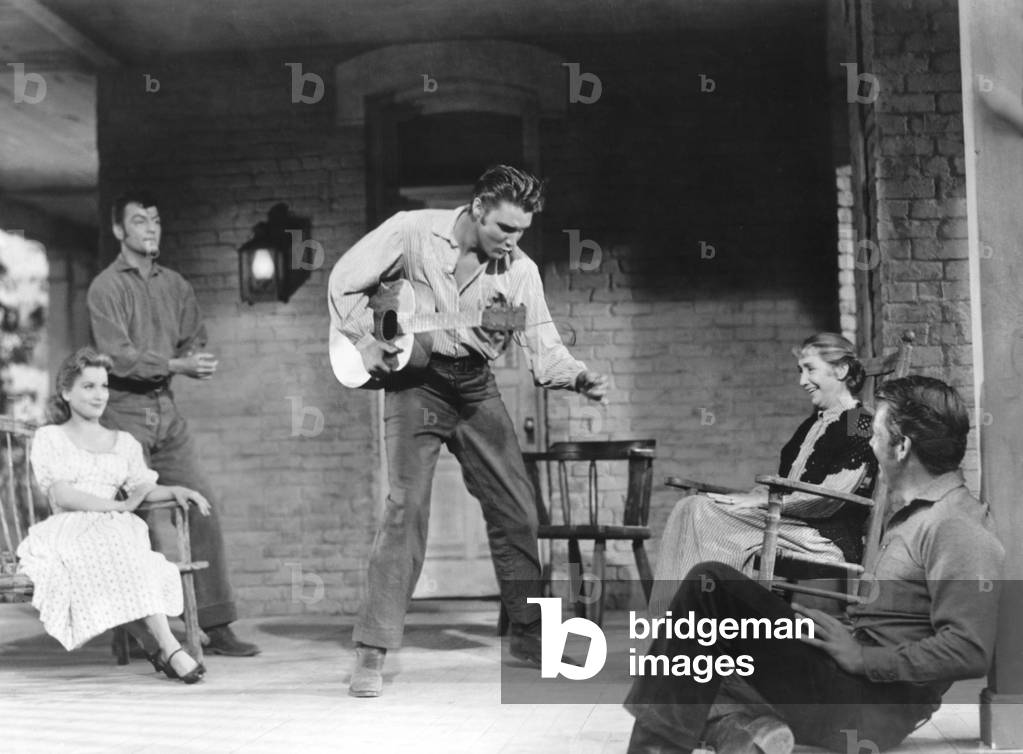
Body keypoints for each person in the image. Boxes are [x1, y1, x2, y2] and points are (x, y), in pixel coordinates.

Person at [328, 165, 608, 697]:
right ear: (478, 209)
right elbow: (344, 281)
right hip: (416, 384)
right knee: (404, 509)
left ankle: (529, 634)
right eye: (504, 229)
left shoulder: (520, 272)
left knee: (520, 509)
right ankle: (371, 651)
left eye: (522, 231)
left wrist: (578, 377)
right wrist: (364, 336)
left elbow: (543, 347)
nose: (513, 241)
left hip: (475, 385)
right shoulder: (412, 230)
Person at [624, 376, 1005, 753]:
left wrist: (862, 657)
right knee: (690, 661)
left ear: (902, 445)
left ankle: (658, 748)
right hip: (852, 683)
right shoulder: (918, 516)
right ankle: (749, 730)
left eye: (874, 434)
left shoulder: (956, 525)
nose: (871, 446)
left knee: (711, 585)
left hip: (870, 708)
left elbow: (969, 650)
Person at [87, 190, 259, 657]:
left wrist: (190, 358)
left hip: (166, 410)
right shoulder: (106, 288)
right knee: (137, 521)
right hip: (123, 414)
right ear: (120, 231)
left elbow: (193, 338)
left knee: (202, 505)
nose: (150, 228)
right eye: (139, 221)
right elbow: (117, 358)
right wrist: (177, 364)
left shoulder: (176, 285)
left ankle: (216, 623)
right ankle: (152, 628)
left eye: (156, 220)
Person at [649, 333, 877, 615]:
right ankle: (673, 625)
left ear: (841, 370)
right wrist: (752, 497)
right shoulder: (812, 424)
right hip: (790, 522)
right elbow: (789, 484)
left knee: (700, 512)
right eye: (800, 370)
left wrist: (764, 502)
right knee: (689, 507)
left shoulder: (860, 420)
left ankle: (705, 624)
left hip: (826, 535)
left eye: (810, 369)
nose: (802, 381)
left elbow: (835, 495)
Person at [18, 348, 210, 683]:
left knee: (135, 557)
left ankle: (157, 644)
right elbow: (62, 494)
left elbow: (143, 487)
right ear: (66, 392)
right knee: (122, 550)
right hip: (70, 527)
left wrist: (177, 490)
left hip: (116, 528)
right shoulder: (51, 438)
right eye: (88, 386)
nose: (99, 395)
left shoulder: (124, 442)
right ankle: (170, 647)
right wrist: (117, 507)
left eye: (104, 386)